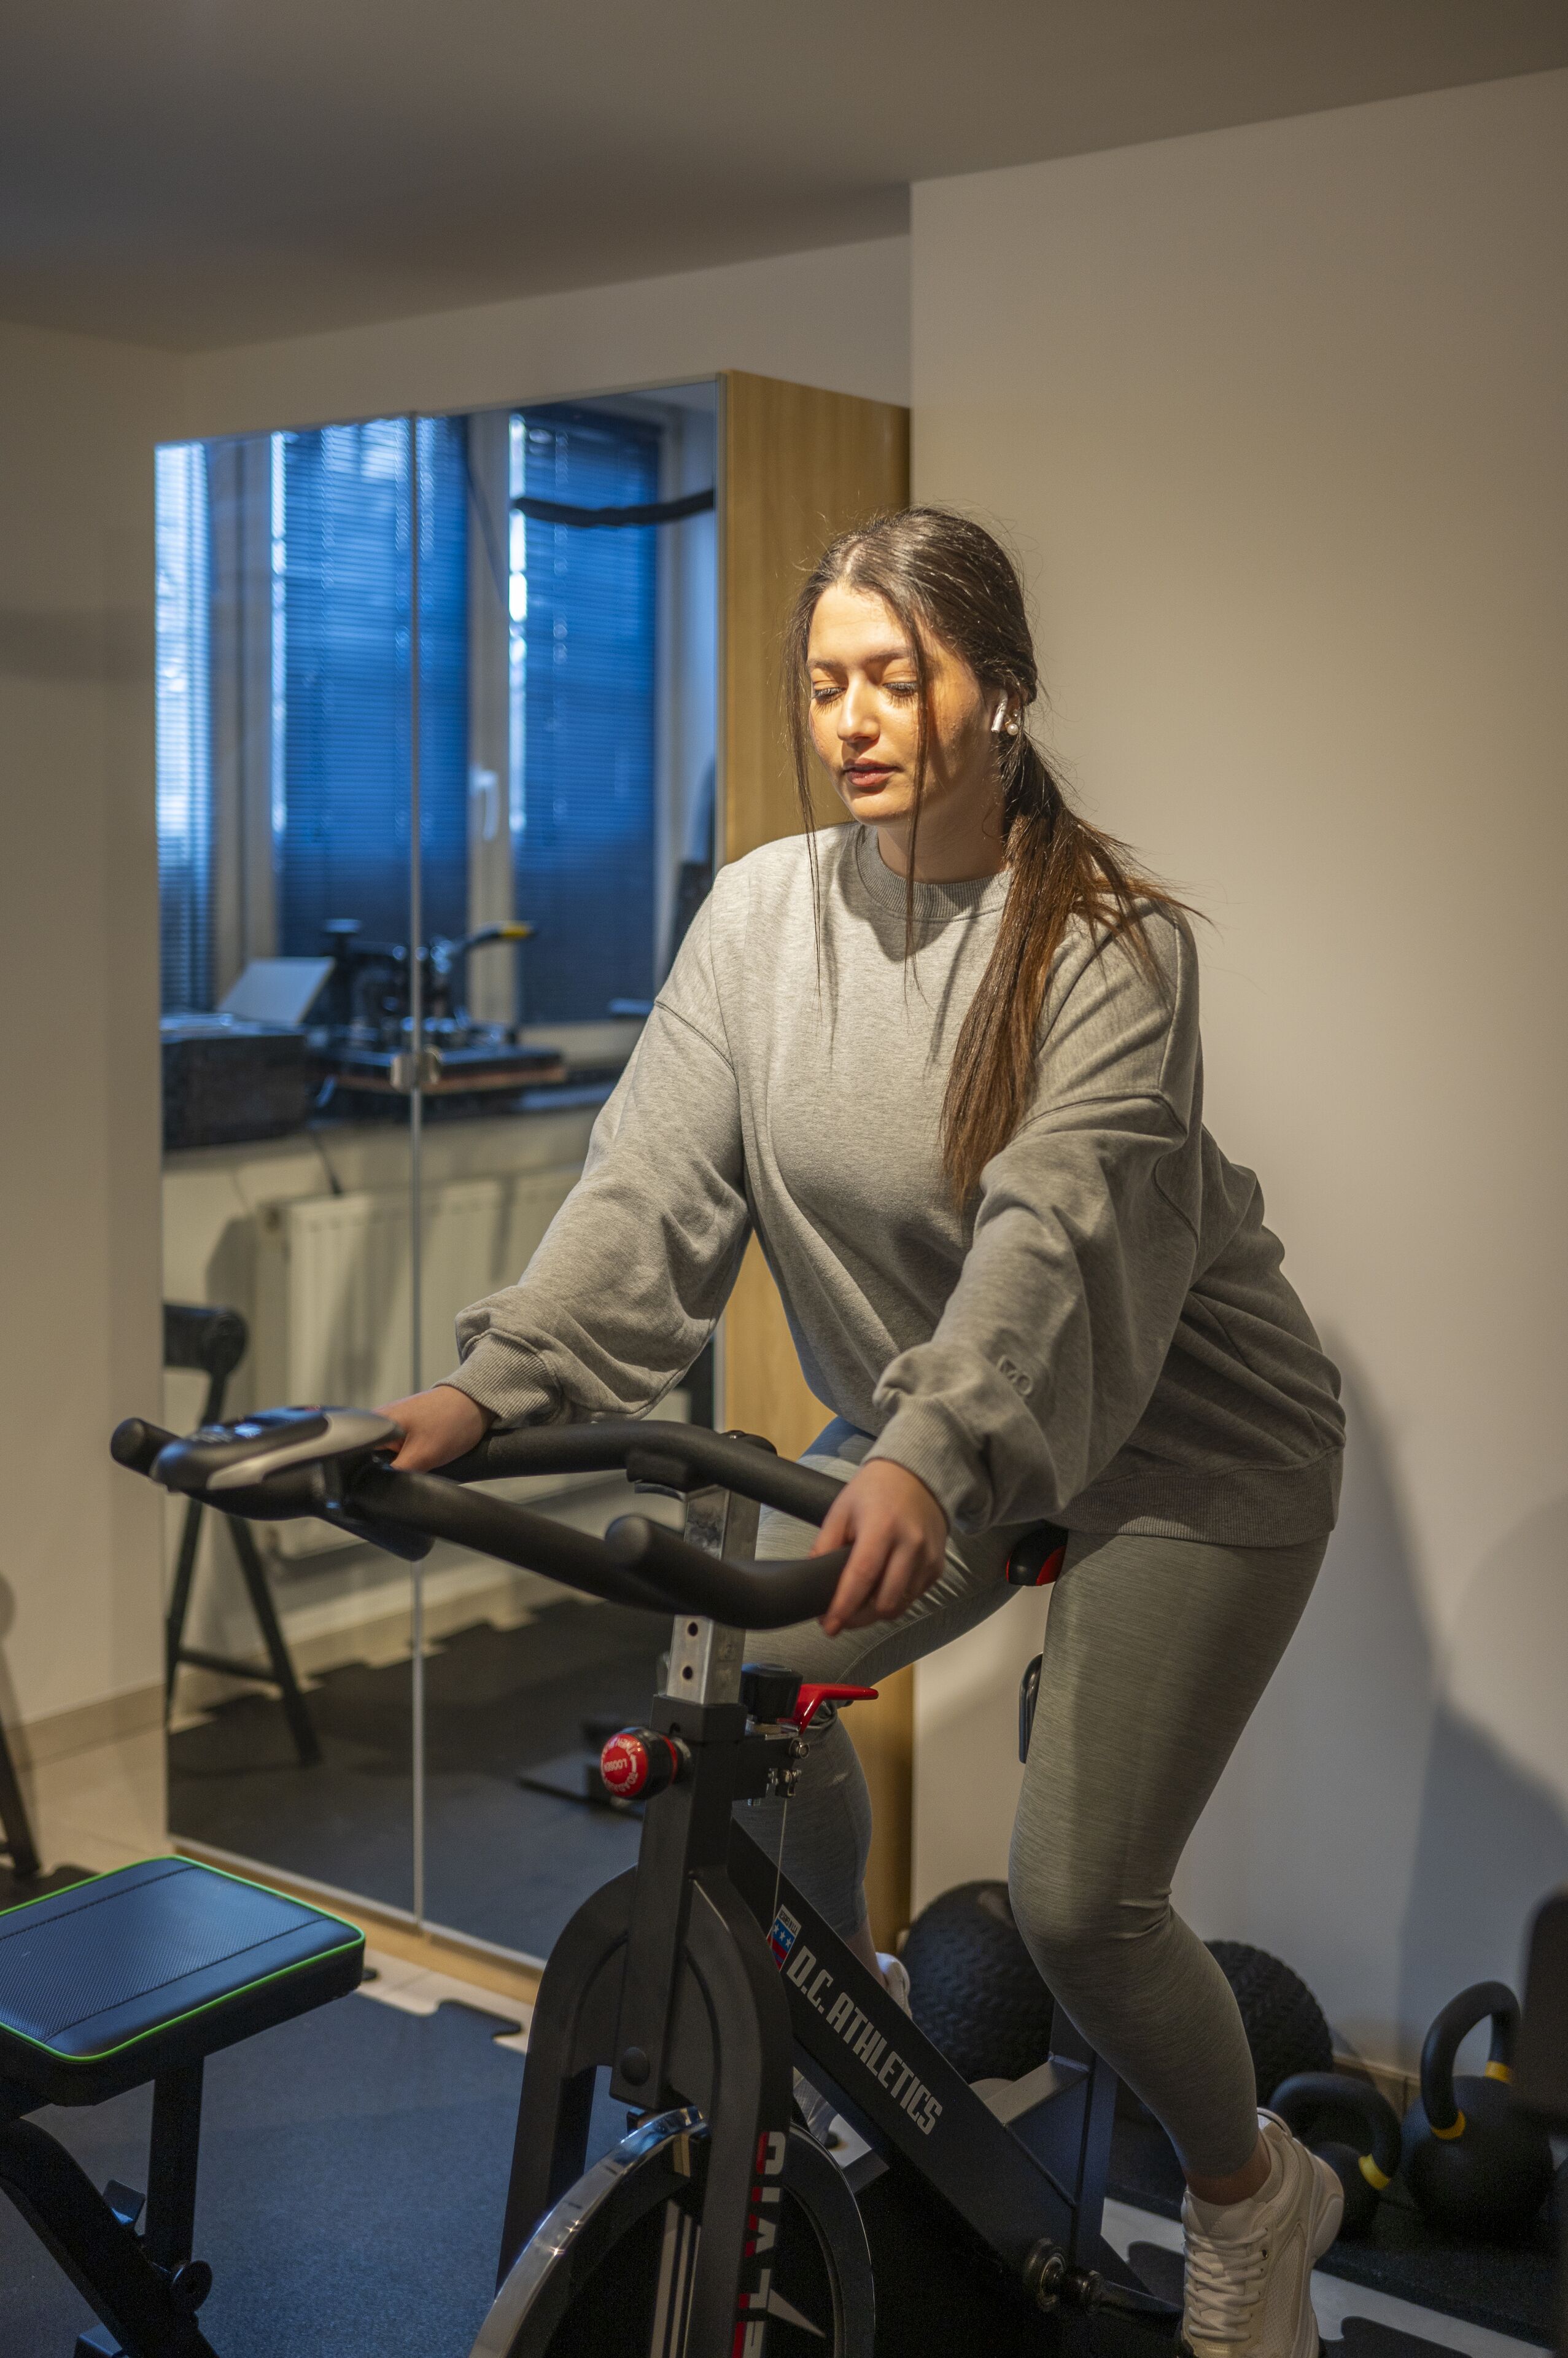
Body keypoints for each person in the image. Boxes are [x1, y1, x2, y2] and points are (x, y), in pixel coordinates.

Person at [386, 508, 1347, 2356]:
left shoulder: (1113, 948)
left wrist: (923, 1452)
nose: (854, 716)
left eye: (894, 677)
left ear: (999, 695)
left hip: (1185, 1444)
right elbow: (645, 1191)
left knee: (1078, 1905)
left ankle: (1249, 2194)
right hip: (946, 1436)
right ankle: (821, 2050)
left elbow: (1051, 1229)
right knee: (745, 1683)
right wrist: (485, 1385)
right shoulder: (757, 916)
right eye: (824, 682)